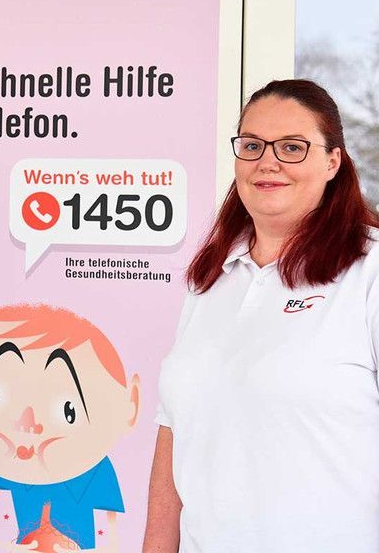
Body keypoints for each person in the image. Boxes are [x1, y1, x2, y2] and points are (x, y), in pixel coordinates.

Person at [142, 79, 379, 553]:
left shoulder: (369, 270)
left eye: (292, 147)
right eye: (252, 146)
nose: (268, 162)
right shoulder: (210, 275)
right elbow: (173, 433)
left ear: (333, 162)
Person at [0, 303, 140, 551]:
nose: (27, 424)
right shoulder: (6, 464)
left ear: (130, 405)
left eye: (69, 411)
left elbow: (111, 544)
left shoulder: (97, 470)